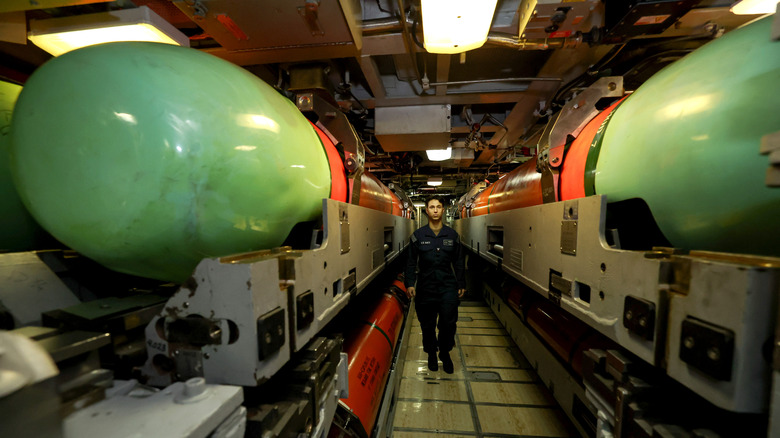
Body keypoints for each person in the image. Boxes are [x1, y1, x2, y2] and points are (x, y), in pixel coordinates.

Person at [405, 195, 466, 374]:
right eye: (432, 207)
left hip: (447, 286)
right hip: (425, 287)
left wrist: (461, 282)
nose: (435, 210)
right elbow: (410, 262)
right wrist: (410, 283)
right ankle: (432, 353)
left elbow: (459, 262)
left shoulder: (452, 236)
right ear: (426, 211)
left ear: (443, 210)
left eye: (438, 207)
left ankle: (445, 353)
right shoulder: (418, 236)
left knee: (448, 322)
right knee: (427, 324)